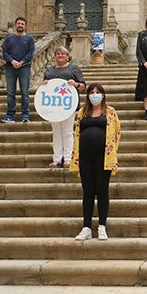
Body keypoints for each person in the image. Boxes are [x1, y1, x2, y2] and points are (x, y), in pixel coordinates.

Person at [69, 83, 121, 240]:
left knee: (102, 190)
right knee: (88, 191)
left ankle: (102, 226)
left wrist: (112, 150)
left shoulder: (110, 112)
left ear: (103, 95)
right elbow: (77, 132)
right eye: (92, 92)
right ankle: (86, 227)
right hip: (85, 156)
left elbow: (117, 132)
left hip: (103, 156)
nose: (95, 95)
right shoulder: (82, 112)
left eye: (98, 92)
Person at [43, 46, 86, 167]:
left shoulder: (74, 68)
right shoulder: (49, 70)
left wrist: (75, 83)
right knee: (56, 132)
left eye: (63, 53)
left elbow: (83, 86)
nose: (60, 55)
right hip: (53, 105)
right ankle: (56, 158)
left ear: (67, 56)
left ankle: (68, 158)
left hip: (69, 105)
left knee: (67, 132)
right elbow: (45, 87)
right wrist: (45, 84)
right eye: (58, 53)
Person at [1, 17, 35, 123]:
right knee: (11, 92)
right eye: (18, 23)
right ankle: (10, 115)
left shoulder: (29, 39)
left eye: (22, 24)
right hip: (10, 67)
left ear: (25, 26)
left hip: (24, 67)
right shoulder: (9, 39)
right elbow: (4, 52)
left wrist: (22, 62)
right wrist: (12, 61)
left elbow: (31, 53)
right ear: (15, 25)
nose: (20, 25)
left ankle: (25, 115)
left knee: (24, 92)